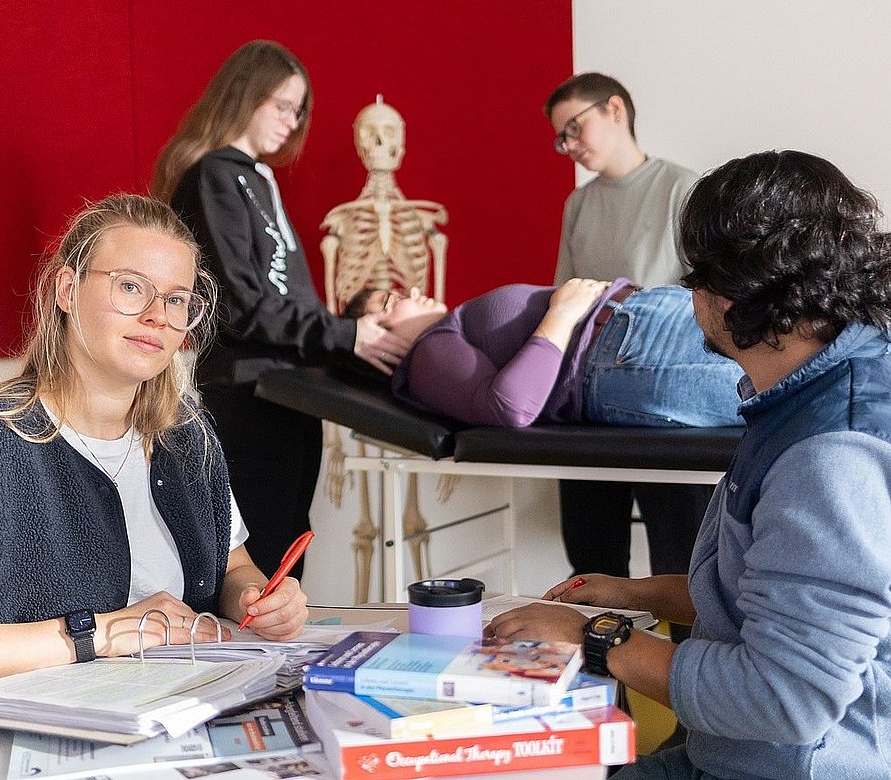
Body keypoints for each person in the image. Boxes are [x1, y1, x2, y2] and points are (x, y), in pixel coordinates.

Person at [486, 150, 891, 778]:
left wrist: (597, 638)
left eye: (692, 277)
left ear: (726, 297)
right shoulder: (815, 391)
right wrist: (636, 594)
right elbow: (772, 600)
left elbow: (784, 699)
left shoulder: (830, 456)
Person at [0, 194, 309, 760]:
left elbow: (232, 566)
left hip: (166, 728)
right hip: (18, 751)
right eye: (130, 287)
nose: (157, 316)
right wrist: (99, 633)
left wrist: (257, 596)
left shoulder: (188, 438)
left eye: (177, 299)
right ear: (67, 290)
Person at [151, 40, 408, 579]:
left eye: (298, 111)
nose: (292, 123)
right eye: (283, 106)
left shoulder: (256, 178)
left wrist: (345, 340)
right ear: (245, 95)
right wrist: (345, 335)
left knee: (290, 546)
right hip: (250, 394)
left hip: (291, 391)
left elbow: (286, 297)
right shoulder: (214, 176)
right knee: (258, 557)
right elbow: (239, 305)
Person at [546, 72, 710, 586]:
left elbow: (707, 298)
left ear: (614, 110)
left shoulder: (683, 189)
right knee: (591, 562)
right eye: (561, 138)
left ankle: (681, 638)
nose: (569, 145)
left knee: (681, 564)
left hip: (663, 394)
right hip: (589, 392)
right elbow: (562, 299)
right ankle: (594, 633)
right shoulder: (578, 204)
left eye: (574, 128)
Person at [344, 280, 741, 430]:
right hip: (625, 352)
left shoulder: (446, 331)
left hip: (640, 319)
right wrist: (562, 313)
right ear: (376, 334)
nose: (412, 292)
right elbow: (510, 407)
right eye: (391, 301)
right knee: (774, 376)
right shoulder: (426, 358)